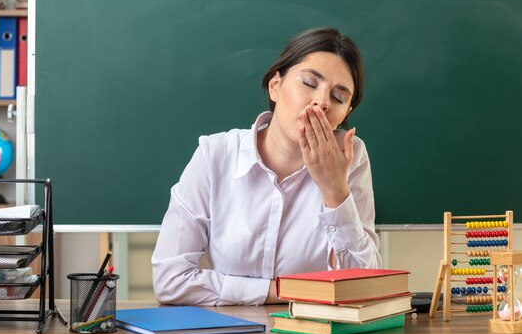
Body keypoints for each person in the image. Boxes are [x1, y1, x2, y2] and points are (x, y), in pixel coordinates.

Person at [152, 27, 382, 306]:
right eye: (309, 83)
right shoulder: (215, 155)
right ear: (275, 85)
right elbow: (170, 280)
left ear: (345, 113)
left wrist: (335, 191)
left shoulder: (351, 156)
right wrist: (283, 291)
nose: (321, 102)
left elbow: (364, 285)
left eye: (338, 98)